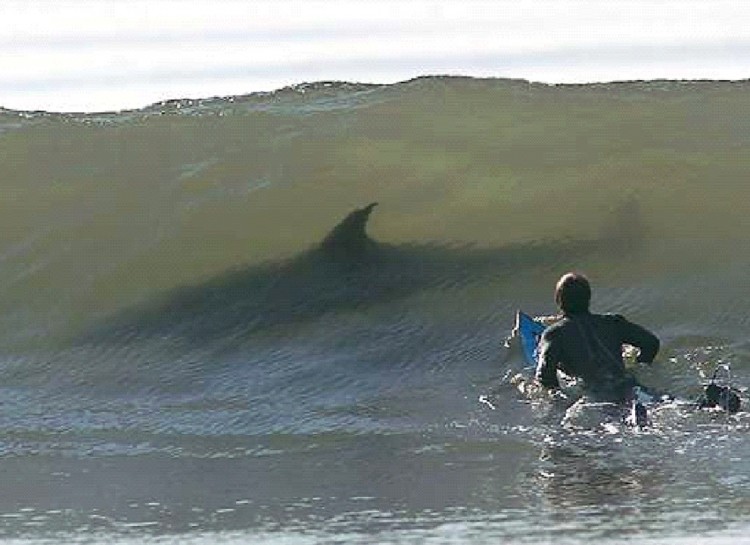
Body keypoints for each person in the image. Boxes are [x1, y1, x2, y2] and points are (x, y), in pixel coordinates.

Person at [535, 272, 660, 403]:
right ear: (588, 298)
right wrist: (637, 368)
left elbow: (545, 376)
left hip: (597, 397)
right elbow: (651, 343)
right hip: (628, 385)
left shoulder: (555, 334)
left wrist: (563, 399)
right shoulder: (613, 322)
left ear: (558, 300)